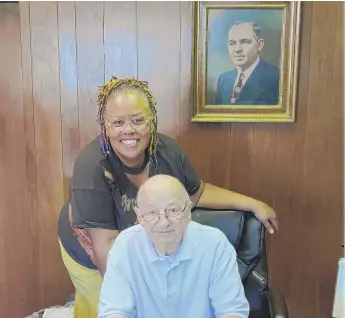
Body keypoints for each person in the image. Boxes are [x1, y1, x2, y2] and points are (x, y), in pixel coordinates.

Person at [57, 76, 278, 318]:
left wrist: (252, 204)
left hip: (144, 244)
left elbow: (197, 193)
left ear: (152, 120)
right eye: (118, 122)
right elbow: (108, 255)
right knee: (107, 304)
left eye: (138, 120)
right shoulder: (92, 168)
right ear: (104, 126)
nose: (128, 129)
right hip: (92, 248)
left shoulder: (168, 153)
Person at [98, 174, 250, 318]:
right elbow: (114, 311)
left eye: (173, 210)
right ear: (139, 217)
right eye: (152, 212)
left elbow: (231, 311)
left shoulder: (214, 244)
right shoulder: (125, 246)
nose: (164, 222)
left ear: (188, 212)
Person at [215, 21, 280, 106]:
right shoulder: (223, 79)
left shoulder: (276, 78)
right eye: (232, 43)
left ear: (259, 45)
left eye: (244, 42)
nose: (237, 49)